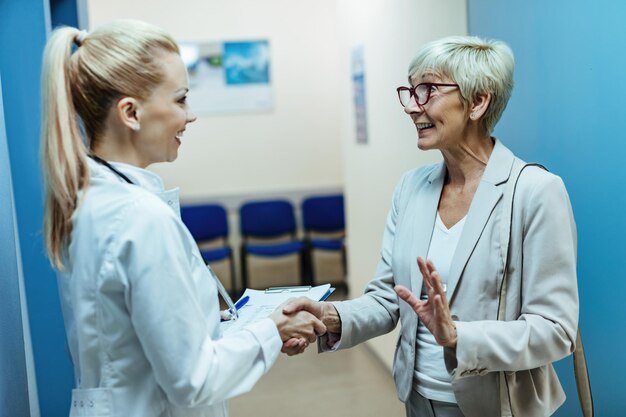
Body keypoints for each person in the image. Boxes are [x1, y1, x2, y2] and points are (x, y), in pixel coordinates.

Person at [41, 20, 324, 417]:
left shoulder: (91, 201)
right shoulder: (140, 219)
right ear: (131, 113)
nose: (190, 116)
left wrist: (207, 318)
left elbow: (129, 332)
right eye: (180, 99)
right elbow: (194, 380)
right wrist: (273, 329)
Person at [284, 36, 578, 417]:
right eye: (410, 91)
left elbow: (556, 330)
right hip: (418, 400)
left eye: (427, 90)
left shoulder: (535, 192)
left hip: (496, 406)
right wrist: (329, 317)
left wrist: (458, 336)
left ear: (478, 102)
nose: (412, 107)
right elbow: (390, 297)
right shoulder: (411, 188)